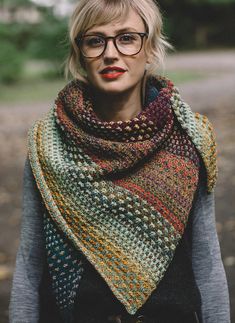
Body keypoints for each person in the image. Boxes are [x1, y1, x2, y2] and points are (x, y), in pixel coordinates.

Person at [9, 0, 230, 322]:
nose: (110, 53)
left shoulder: (188, 139)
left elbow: (207, 260)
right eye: (95, 41)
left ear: (150, 48)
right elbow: (30, 264)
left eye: (127, 38)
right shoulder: (48, 144)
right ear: (79, 54)